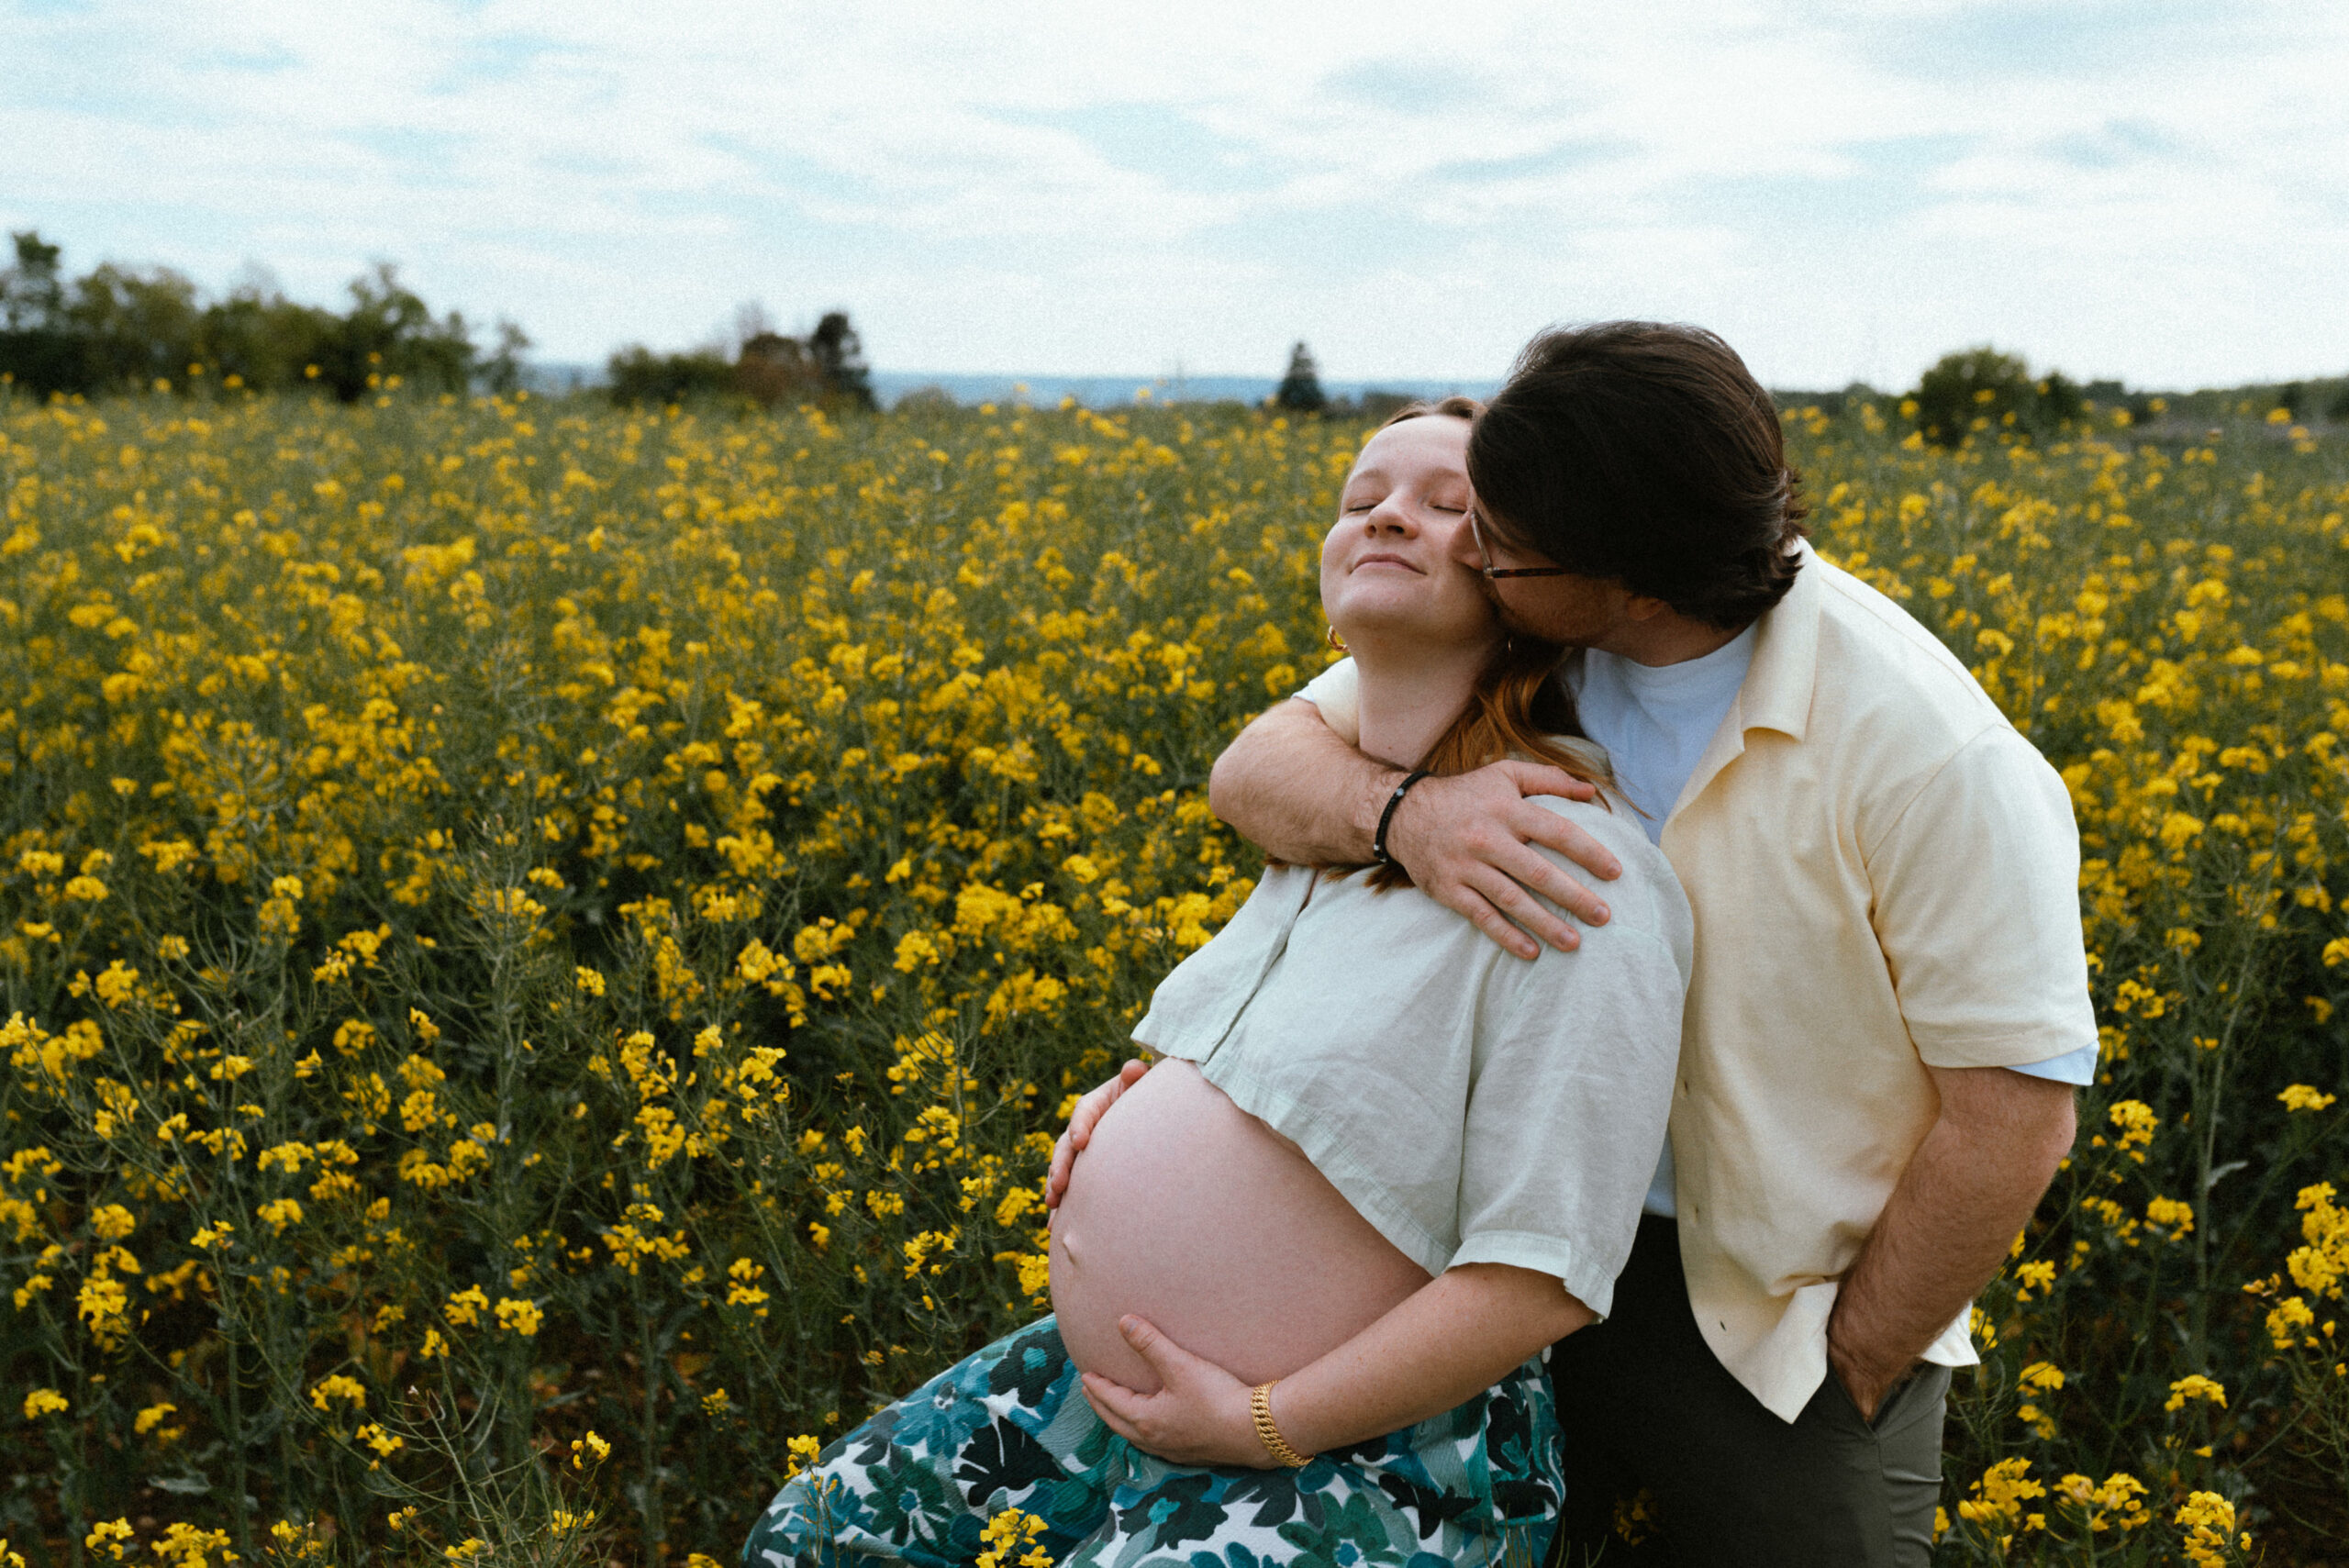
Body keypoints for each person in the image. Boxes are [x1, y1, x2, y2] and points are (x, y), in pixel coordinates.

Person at [1190, 322, 2093, 1567]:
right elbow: (1256, 770)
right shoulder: (1534, 637)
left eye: (1500, 540)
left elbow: (2013, 1114)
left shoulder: (1933, 756)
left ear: (1635, 583)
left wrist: (1855, 1361)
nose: (1470, 547)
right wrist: (1408, 815)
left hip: (1780, 1313)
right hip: (1494, 1247)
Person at [742, 401, 1694, 1568]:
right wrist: (1152, 1101)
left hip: (1365, 1451)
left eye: (1449, 506)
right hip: (1112, 1401)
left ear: (1530, 589)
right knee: (814, 1539)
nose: (1388, 515)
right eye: (1361, 499)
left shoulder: (1569, 867)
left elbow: (1543, 1274)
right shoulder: (1339, 816)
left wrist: (1263, 1422)